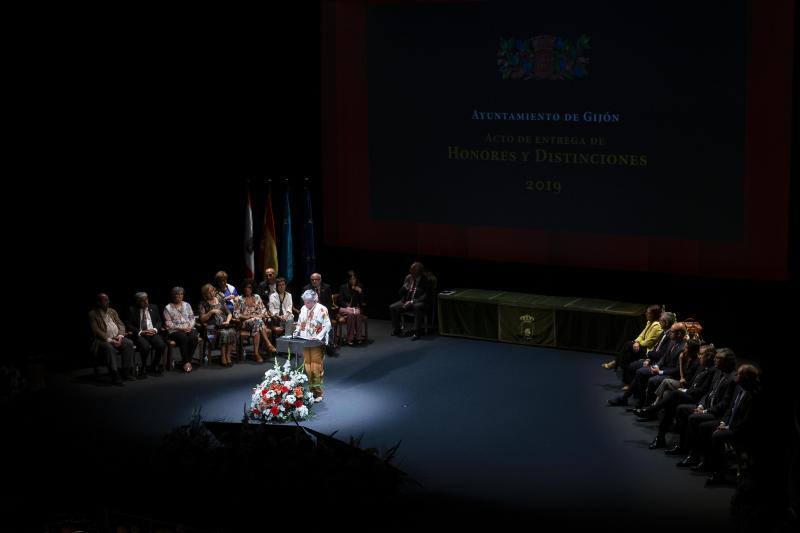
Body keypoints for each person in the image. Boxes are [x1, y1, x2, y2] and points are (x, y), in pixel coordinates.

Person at [89, 293, 135, 385]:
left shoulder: (112, 311)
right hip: (103, 340)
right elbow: (96, 331)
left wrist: (120, 336)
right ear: (98, 302)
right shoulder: (93, 314)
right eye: (105, 300)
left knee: (129, 343)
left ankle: (125, 372)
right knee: (109, 348)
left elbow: (121, 324)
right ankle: (115, 374)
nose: (108, 302)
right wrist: (110, 340)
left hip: (117, 337)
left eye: (108, 300)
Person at [294, 289, 331, 402]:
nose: (306, 304)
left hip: (316, 342)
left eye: (308, 302)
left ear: (315, 301)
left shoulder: (322, 309)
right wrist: (297, 331)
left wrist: (318, 336)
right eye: (305, 301)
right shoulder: (303, 309)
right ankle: (311, 391)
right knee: (308, 367)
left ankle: (318, 393)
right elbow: (300, 323)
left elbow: (328, 325)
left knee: (316, 367)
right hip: (305, 341)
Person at [601, 305, 663, 370]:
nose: (646, 314)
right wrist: (636, 342)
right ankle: (620, 366)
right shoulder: (649, 322)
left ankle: (615, 363)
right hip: (643, 346)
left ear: (654, 315)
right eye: (646, 312)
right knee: (628, 349)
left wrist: (637, 343)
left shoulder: (657, 326)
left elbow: (647, 343)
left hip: (648, 351)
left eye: (648, 313)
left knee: (628, 344)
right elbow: (641, 335)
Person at [234, 280, 277, 363]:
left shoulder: (257, 297)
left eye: (249, 287)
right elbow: (236, 314)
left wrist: (260, 316)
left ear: (252, 288)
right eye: (246, 287)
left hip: (257, 322)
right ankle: (268, 344)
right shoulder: (239, 299)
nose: (247, 289)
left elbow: (263, 309)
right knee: (258, 321)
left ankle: (256, 353)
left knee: (257, 325)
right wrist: (248, 316)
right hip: (245, 323)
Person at [125, 292, 166, 377]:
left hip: (152, 332)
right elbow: (128, 324)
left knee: (161, 345)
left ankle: (154, 365)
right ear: (137, 301)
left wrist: (155, 329)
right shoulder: (132, 310)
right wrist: (140, 332)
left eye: (146, 299)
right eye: (142, 300)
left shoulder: (153, 307)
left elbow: (159, 321)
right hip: (141, 334)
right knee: (145, 347)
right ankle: (143, 366)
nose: (146, 302)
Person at [199, 283, 237, 367]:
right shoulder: (203, 304)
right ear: (205, 295)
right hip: (212, 328)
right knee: (224, 333)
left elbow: (229, 313)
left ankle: (228, 355)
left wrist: (227, 321)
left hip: (224, 325)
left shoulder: (220, 300)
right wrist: (211, 312)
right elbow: (202, 319)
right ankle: (223, 356)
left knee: (232, 331)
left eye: (212, 291)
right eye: (209, 293)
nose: (211, 293)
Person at [389, 261, 430, 340]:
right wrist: (405, 287)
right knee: (392, 307)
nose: (410, 272)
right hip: (405, 301)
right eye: (410, 270)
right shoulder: (408, 278)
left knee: (416, 307)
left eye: (413, 271)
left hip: (418, 302)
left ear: (418, 272)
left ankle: (417, 332)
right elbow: (400, 293)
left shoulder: (426, 280)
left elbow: (426, 296)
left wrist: (412, 302)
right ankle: (397, 329)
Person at [163, 286, 199, 373]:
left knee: (194, 337)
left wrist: (190, 327)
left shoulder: (187, 305)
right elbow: (168, 323)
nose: (180, 296)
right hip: (175, 330)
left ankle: (187, 361)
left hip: (189, 328)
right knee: (183, 337)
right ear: (173, 295)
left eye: (181, 294)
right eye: (177, 294)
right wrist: (181, 328)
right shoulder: (168, 307)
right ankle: (186, 362)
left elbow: (192, 318)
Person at [338, 270, 365, 345]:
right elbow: (340, 301)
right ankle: (350, 338)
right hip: (345, 308)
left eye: (354, 279)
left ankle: (358, 337)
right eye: (351, 279)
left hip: (355, 308)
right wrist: (347, 306)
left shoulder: (359, 286)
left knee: (356, 314)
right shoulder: (343, 287)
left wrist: (360, 292)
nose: (353, 281)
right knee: (351, 314)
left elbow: (361, 301)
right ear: (348, 279)